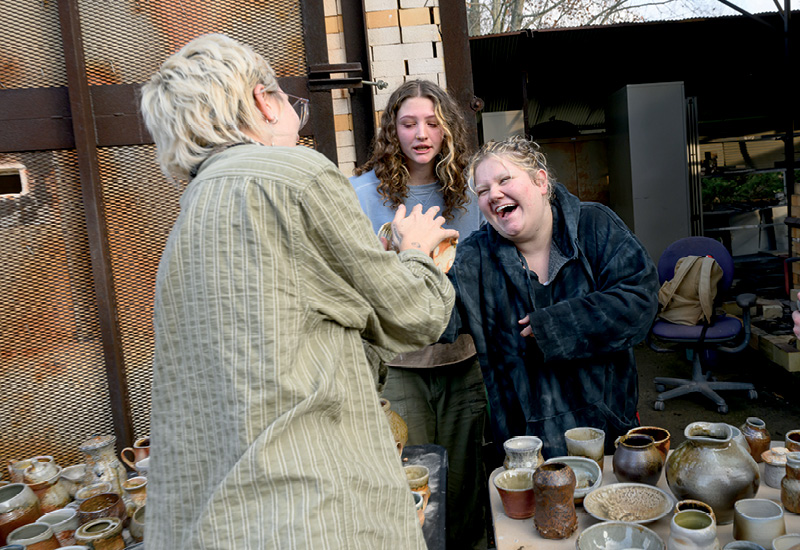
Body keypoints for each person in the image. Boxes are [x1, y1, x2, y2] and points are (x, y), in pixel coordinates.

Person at [139, 34, 459, 549]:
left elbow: (301, 332)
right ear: (263, 100)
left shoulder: (191, 211)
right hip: (311, 509)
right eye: (292, 103)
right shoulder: (295, 174)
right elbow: (415, 315)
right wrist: (416, 252)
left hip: (221, 522)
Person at [440, 135, 660, 460]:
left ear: (540, 181)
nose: (493, 194)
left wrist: (555, 326)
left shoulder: (594, 226)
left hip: (607, 435)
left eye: (504, 180)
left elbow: (639, 301)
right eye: (483, 191)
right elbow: (435, 321)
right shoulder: (473, 259)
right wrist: (415, 265)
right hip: (525, 450)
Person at [350, 80, 488, 549]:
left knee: (467, 485)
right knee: (412, 485)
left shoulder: (474, 193)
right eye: (408, 123)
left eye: (433, 123)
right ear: (393, 130)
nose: (421, 133)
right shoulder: (360, 195)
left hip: (463, 361)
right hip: (400, 368)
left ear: (449, 130)